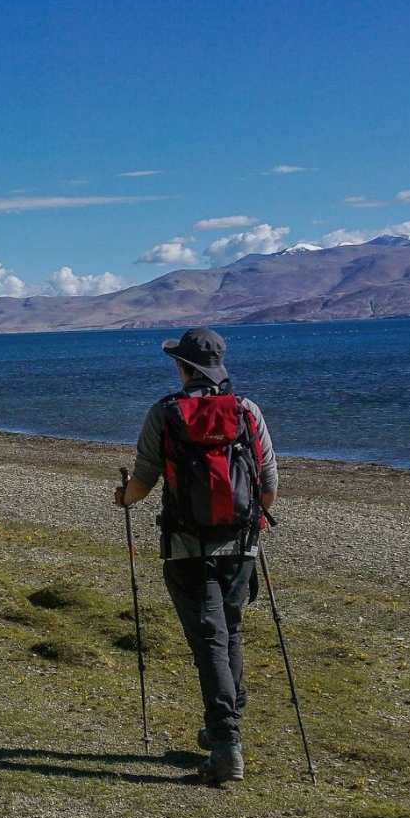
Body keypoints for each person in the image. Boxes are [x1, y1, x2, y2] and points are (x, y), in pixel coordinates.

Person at [113, 327, 278, 785]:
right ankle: (225, 726)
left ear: (182, 367)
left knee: (209, 641)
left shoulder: (165, 413)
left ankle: (226, 745)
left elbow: (143, 483)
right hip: (241, 545)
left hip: (186, 549)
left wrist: (124, 498)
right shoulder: (247, 410)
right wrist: (250, 521)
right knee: (230, 632)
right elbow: (268, 484)